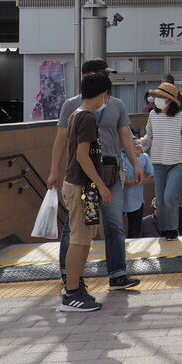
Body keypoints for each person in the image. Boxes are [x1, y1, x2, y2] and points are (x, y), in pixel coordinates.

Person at [48, 58, 143, 292]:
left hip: (111, 171)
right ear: (87, 77)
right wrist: (54, 171)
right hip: (86, 178)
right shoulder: (73, 107)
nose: (107, 80)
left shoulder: (116, 104)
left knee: (114, 224)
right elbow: (61, 140)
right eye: (103, 74)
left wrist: (135, 164)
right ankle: (70, 276)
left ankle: (117, 274)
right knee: (77, 228)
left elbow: (125, 136)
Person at [58, 72, 115, 312]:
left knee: (85, 239)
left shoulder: (77, 114)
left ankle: (76, 287)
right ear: (104, 94)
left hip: (86, 188)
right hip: (83, 187)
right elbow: (82, 156)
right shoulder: (87, 118)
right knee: (79, 239)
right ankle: (71, 293)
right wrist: (101, 185)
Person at [137, 82, 182, 240]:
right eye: (156, 96)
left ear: (170, 100)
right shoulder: (153, 115)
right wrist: (141, 148)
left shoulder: (181, 116)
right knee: (160, 201)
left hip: (178, 163)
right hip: (158, 164)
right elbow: (149, 137)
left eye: (160, 97)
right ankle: (164, 229)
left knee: (170, 197)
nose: (156, 99)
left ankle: (173, 229)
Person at [122, 148, 154, 239]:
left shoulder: (143, 157)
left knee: (135, 234)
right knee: (116, 231)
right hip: (117, 200)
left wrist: (136, 182)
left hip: (137, 200)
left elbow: (152, 176)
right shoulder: (117, 156)